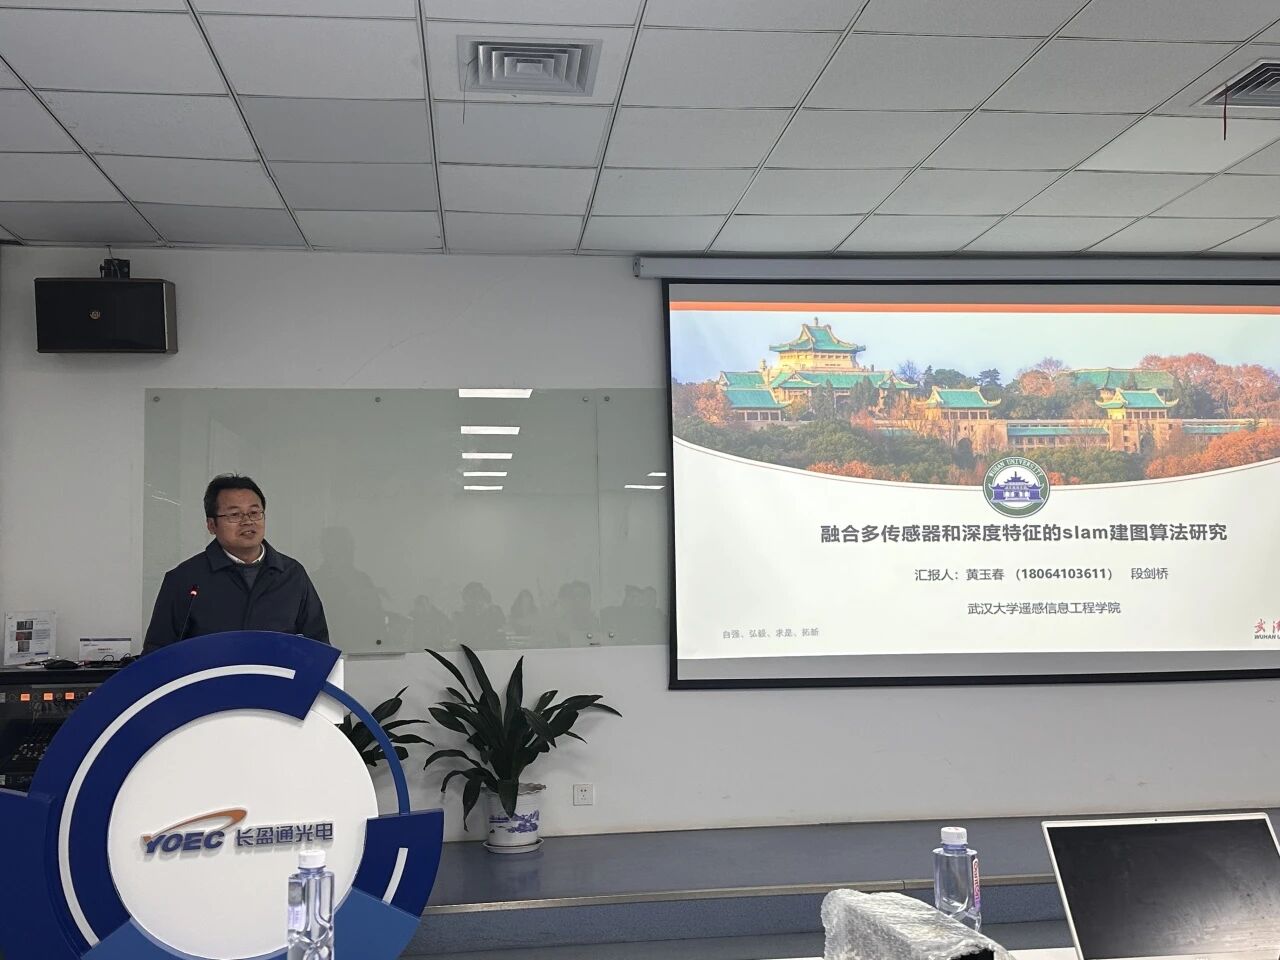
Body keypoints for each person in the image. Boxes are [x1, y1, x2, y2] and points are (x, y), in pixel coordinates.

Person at [143, 474, 329, 654]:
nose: (247, 521)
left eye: (254, 513)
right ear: (211, 525)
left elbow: (318, 647)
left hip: (276, 676)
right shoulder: (184, 579)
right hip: (209, 676)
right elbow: (158, 654)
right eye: (234, 514)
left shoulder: (291, 574)